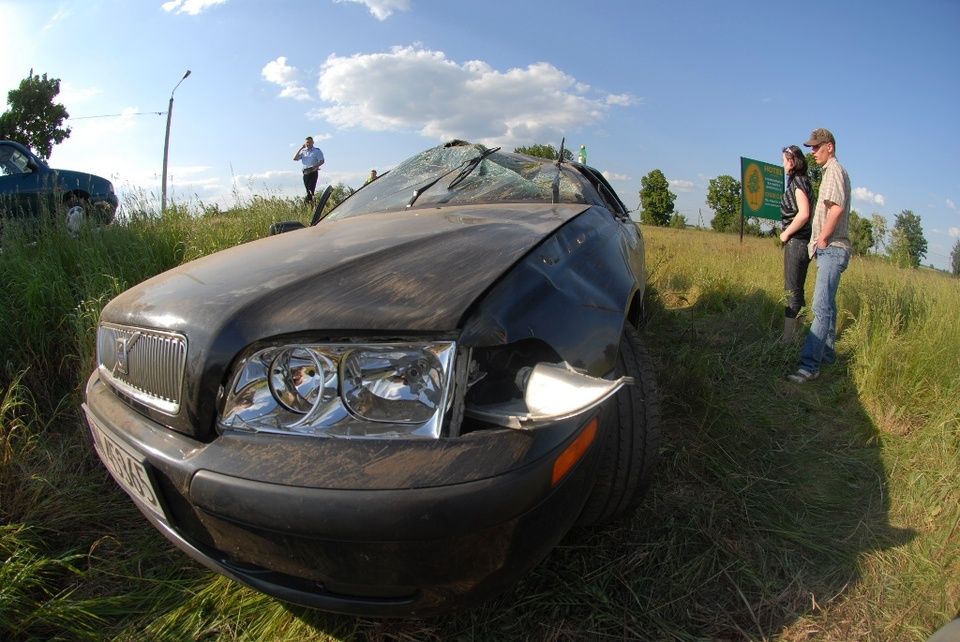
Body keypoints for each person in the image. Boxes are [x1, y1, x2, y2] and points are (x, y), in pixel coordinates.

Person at [787, 128, 851, 383]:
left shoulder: (834, 170)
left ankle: (809, 366)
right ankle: (827, 357)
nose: (812, 152)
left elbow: (836, 208)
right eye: (811, 148)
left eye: (816, 147)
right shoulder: (830, 172)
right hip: (832, 248)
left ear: (830, 147)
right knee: (829, 307)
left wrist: (823, 239)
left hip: (833, 248)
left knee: (821, 307)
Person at [778, 144, 813, 343]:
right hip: (803, 243)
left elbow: (804, 213)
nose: (783, 164)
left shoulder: (798, 182)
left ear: (791, 161)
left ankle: (787, 339)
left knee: (791, 291)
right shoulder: (805, 181)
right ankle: (799, 337)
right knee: (798, 290)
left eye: (784, 160)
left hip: (797, 242)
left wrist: (785, 234)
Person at [293, 136, 324, 204]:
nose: (309, 143)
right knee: (308, 190)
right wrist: (301, 148)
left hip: (313, 171)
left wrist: (315, 167)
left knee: (311, 189)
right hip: (305, 172)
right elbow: (295, 158)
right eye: (307, 142)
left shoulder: (317, 151)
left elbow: (322, 161)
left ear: (313, 142)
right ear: (305, 143)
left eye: (310, 142)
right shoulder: (303, 151)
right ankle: (310, 204)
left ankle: (312, 205)